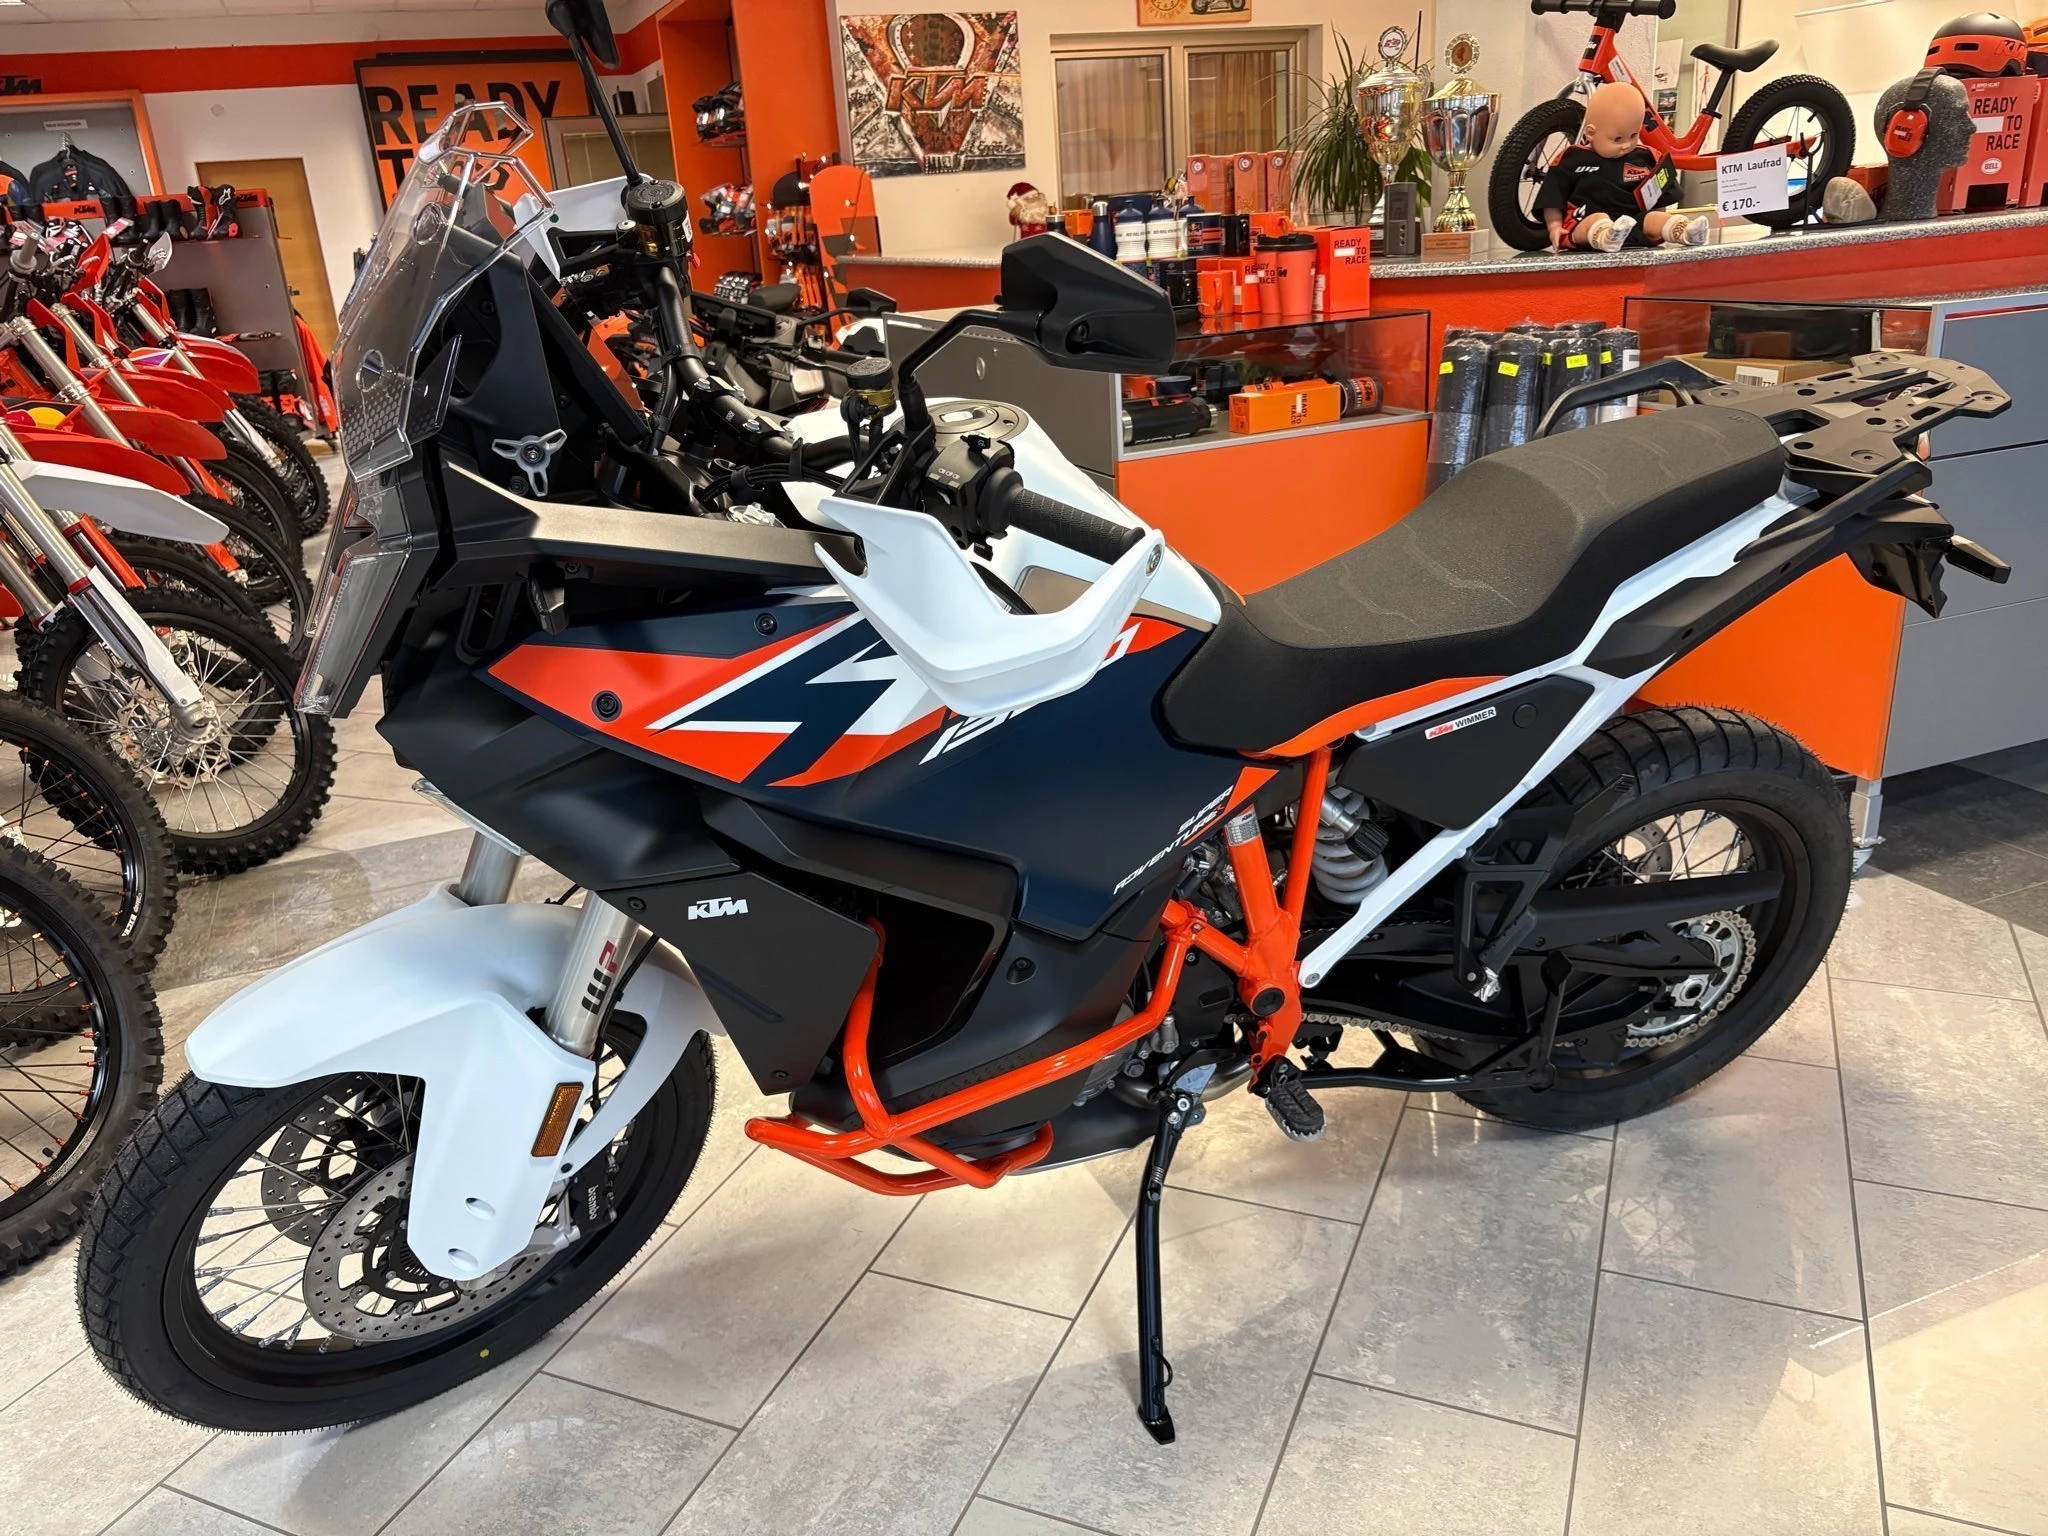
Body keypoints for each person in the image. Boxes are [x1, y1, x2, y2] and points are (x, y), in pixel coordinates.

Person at [1535, 81, 1707, 252]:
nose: (1626, 145)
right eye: (1617, 139)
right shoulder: (1572, 159)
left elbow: (1661, 200)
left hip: (1635, 222)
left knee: (1655, 218)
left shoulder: (1648, 157)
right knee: (1597, 219)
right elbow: (1552, 197)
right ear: (1590, 133)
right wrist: (1554, 227)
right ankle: (1605, 236)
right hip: (1585, 221)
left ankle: (1685, 230)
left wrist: (1657, 219)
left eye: (1633, 136)